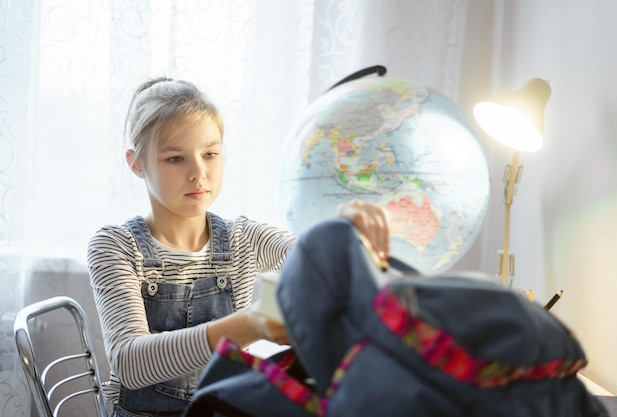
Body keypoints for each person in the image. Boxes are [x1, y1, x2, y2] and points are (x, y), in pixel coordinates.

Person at [87, 77, 390, 417]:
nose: (198, 173)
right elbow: (131, 362)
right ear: (136, 163)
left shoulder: (243, 237)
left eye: (210, 154)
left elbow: (313, 257)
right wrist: (253, 323)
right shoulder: (114, 246)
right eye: (175, 158)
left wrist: (342, 229)